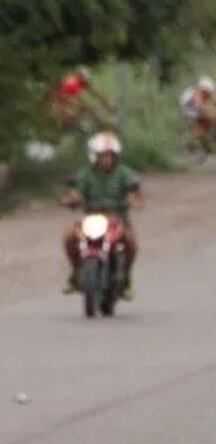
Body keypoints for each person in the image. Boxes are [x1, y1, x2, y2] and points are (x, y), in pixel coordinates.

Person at [61, 131, 143, 298]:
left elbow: (133, 191)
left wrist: (134, 199)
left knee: (130, 241)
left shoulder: (124, 173)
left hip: (117, 218)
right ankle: (76, 272)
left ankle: (126, 278)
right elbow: (76, 191)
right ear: (95, 156)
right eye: (102, 155)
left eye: (109, 155)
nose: (106, 159)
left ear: (115, 156)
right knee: (69, 237)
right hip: (90, 217)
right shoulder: (86, 173)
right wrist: (72, 198)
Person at [49, 66, 115, 132]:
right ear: (80, 76)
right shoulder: (73, 83)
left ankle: (96, 123)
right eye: (85, 79)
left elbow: (94, 92)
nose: (86, 82)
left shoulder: (82, 82)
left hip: (67, 101)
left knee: (87, 110)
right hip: (61, 103)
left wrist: (106, 101)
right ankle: (70, 126)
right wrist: (89, 109)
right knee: (80, 110)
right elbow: (72, 100)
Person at [179, 76, 216, 144]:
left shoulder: (204, 95)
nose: (209, 94)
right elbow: (201, 109)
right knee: (209, 120)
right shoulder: (197, 98)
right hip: (194, 113)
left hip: (196, 112)